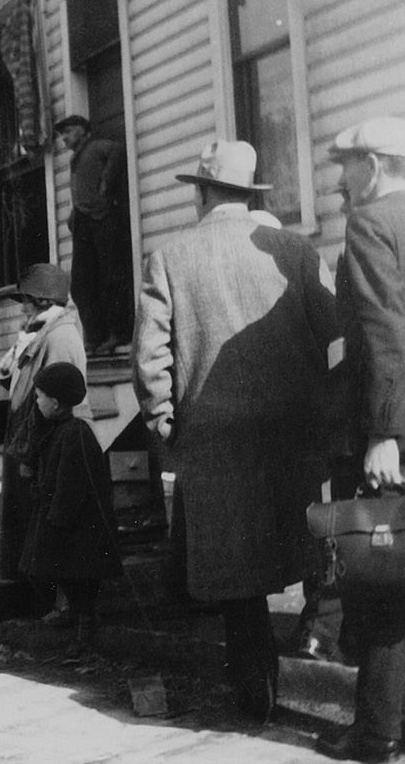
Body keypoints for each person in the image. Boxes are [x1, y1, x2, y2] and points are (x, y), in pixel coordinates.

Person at [133, 139, 338, 722]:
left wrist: (166, 424)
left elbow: (150, 359)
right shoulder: (294, 251)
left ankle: (257, 697)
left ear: (200, 193)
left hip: (215, 442)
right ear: (250, 195)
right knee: (307, 550)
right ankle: (319, 647)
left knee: (238, 581)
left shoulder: (168, 257)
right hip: (293, 439)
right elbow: (336, 333)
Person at [316, 117, 405, 764]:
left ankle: (378, 735)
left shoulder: (372, 222)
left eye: (345, 163)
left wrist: (385, 433)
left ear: (373, 166)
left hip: (392, 429)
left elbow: (383, 333)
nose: (338, 177)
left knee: (379, 579)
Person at [0, 263, 91, 590]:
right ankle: (30, 592)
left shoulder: (60, 336)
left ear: (46, 303)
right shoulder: (39, 333)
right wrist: (13, 362)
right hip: (31, 432)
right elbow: (24, 387)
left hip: (50, 439)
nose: (23, 308)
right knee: (28, 526)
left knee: (50, 528)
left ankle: (51, 599)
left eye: (29, 301)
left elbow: (60, 399)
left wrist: (34, 453)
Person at [18, 363, 121, 643]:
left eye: (39, 397)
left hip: (78, 521)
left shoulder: (76, 432)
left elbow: (71, 482)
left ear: (55, 402)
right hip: (61, 516)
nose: (36, 402)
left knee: (81, 573)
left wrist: (59, 516)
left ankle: (86, 620)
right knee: (58, 568)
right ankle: (77, 612)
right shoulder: (57, 427)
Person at [55, 114, 132, 355]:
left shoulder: (98, 146)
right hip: (84, 222)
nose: (64, 138)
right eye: (62, 134)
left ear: (83, 130)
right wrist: (74, 211)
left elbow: (119, 150)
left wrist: (107, 183)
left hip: (104, 218)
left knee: (111, 276)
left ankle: (119, 333)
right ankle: (95, 336)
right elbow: (82, 187)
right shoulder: (75, 158)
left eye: (68, 132)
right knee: (80, 282)